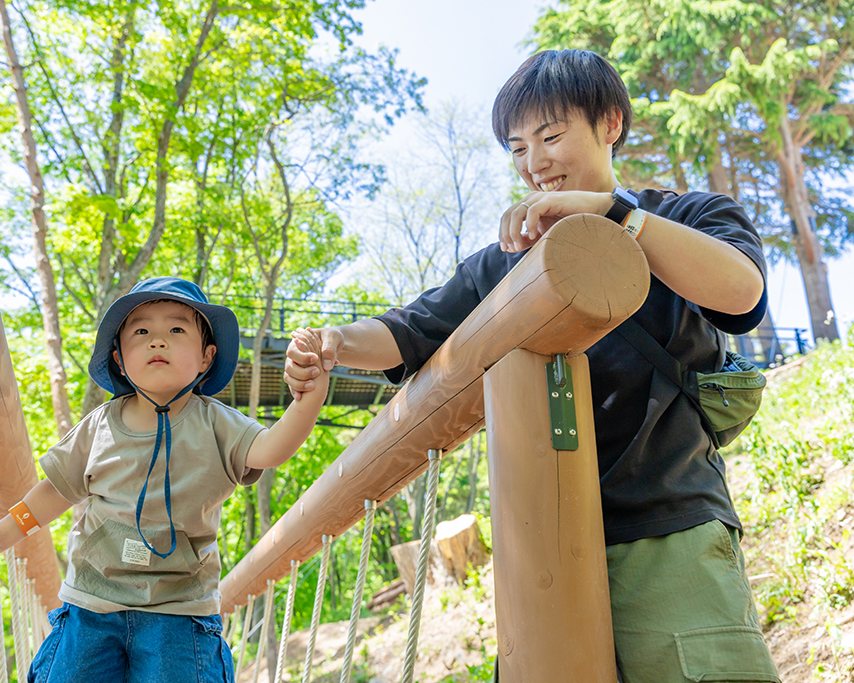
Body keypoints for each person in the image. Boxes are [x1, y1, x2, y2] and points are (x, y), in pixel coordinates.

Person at [284, 50, 780, 683]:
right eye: (517, 148)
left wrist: (615, 217)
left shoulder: (687, 216)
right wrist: (332, 342)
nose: (534, 162)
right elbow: (410, 330)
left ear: (610, 123)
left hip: (668, 525)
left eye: (550, 136)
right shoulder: (503, 262)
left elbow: (741, 294)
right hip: (541, 549)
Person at [0, 277, 329, 683]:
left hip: (179, 611)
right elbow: (55, 491)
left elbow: (271, 448)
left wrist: (308, 398)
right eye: (141, 331)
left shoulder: (216, 423)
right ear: (120, 359)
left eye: (176, 329)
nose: (158, 341)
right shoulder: (100, 424)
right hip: (92, 603)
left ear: (206, 357)